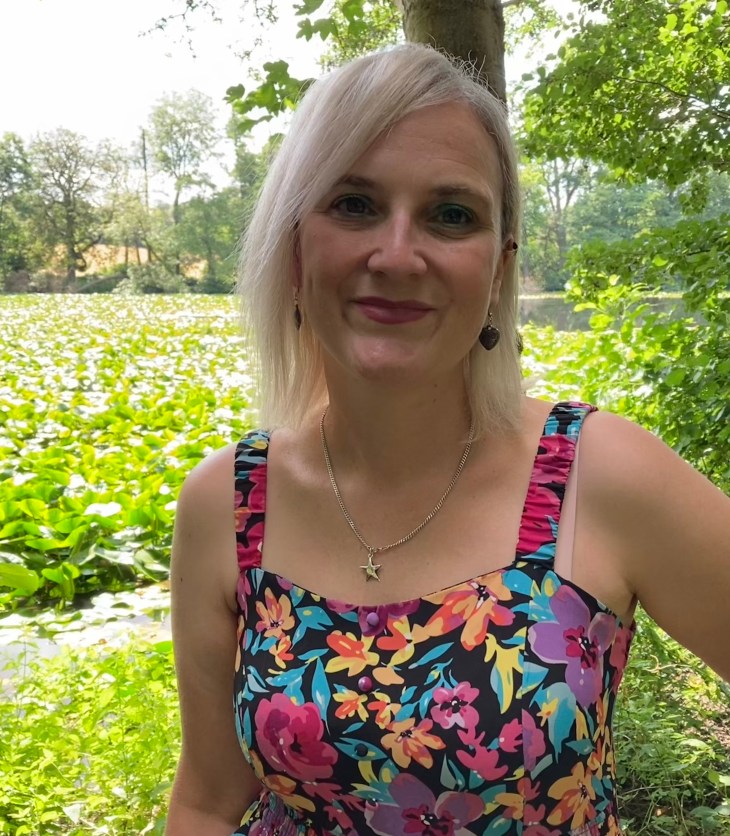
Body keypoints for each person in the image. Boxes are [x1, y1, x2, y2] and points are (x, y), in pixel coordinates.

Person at [165, 43, 730, 836]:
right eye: (353, 203)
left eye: (452, 215)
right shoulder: (228, 501)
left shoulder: (600, 476)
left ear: (498, 269)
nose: (397, 254)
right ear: (294, 245)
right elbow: (207, 799)